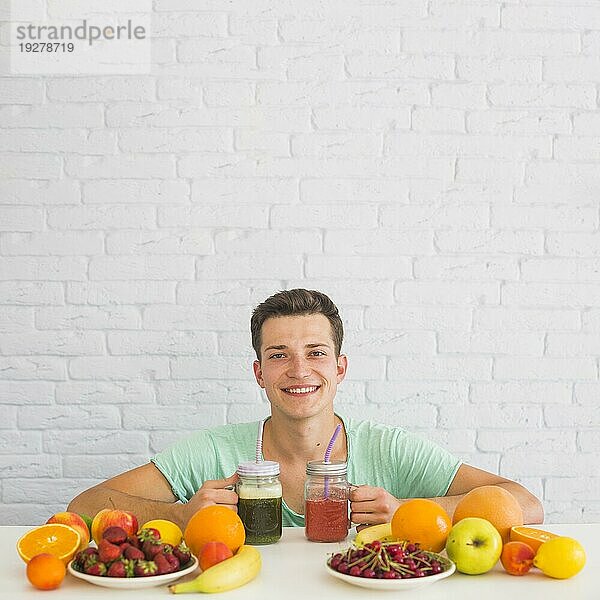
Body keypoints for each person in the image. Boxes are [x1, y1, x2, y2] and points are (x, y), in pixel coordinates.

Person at [68, 289, 544, 530]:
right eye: (279, 355)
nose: (299, 370)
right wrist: (182, 515)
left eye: (315, 353)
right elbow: (85, 505)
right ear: (259, 373)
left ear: (340, 368)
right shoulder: (214, 451)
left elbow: (526, 503)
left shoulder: (390, 449)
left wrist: (408, 511)